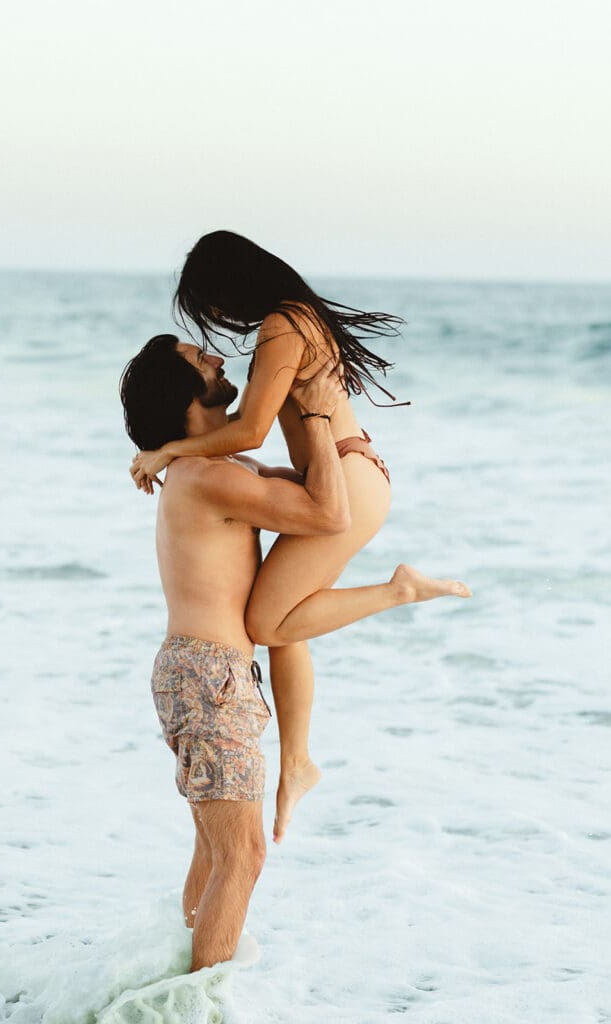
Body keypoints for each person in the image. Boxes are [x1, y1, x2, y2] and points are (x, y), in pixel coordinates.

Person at [130, 231, 472, 843]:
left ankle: (400, 591)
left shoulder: (284, 324)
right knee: (288, 618)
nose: (215, 323)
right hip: (340, 472)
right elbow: (236, 429)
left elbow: (251, 430)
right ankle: (297, 764)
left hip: (345, 477)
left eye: (209, 303)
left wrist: (172, 447)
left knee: (265, 623)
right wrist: (170, 448)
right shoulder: (287, 322)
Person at [119, 333, 349, 970]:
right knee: (243, 855)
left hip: (207, 672)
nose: (220, 359)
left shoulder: (215, 470)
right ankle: (199, 1005)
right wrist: (322, 414)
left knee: (217, 854)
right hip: (206, 673)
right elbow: (329, 513)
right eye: (201, 359)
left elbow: (307, 484)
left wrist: (304, 406)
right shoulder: (207, 477)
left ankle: (174, 990)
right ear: (185, 392)